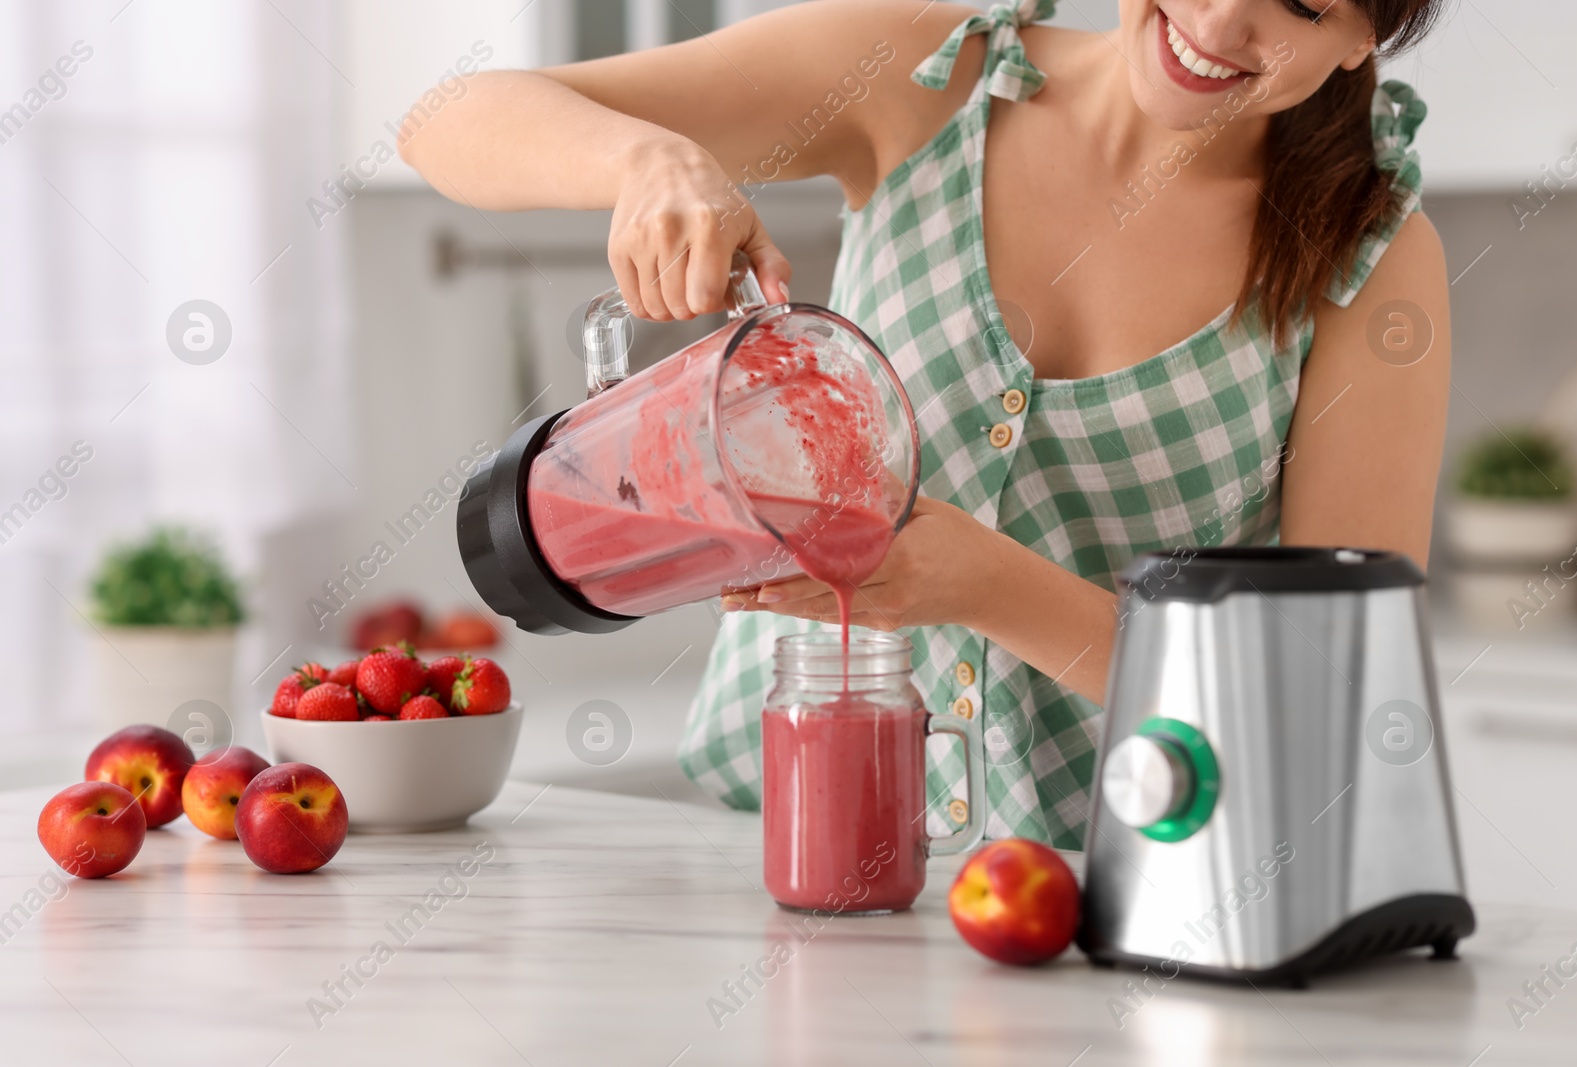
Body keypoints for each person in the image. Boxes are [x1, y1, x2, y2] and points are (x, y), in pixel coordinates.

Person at [401, 0, 1450, 849]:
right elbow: (445, 118)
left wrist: (988, 586)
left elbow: (1327, 698)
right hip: (768, 854)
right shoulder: (928, 76)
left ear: (1364, 33)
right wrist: (646, 163)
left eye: (1298, 6)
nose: (1218, 24)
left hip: (1118, 903)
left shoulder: (1367, 258)